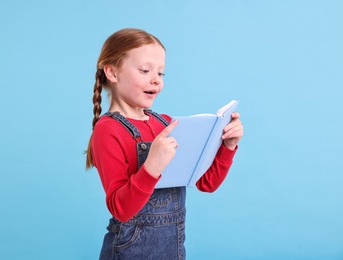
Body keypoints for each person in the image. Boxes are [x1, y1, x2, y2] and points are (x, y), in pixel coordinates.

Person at [86, 28, 243, 259]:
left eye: (161, 74)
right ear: (112, 72)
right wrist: (152, 167)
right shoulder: (108, 130)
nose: (155, 80)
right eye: (145, 70)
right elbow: (121, 209)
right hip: (129, 248)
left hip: (173, 245)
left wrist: (227, 147)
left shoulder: (167, 124)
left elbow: (206, 183)